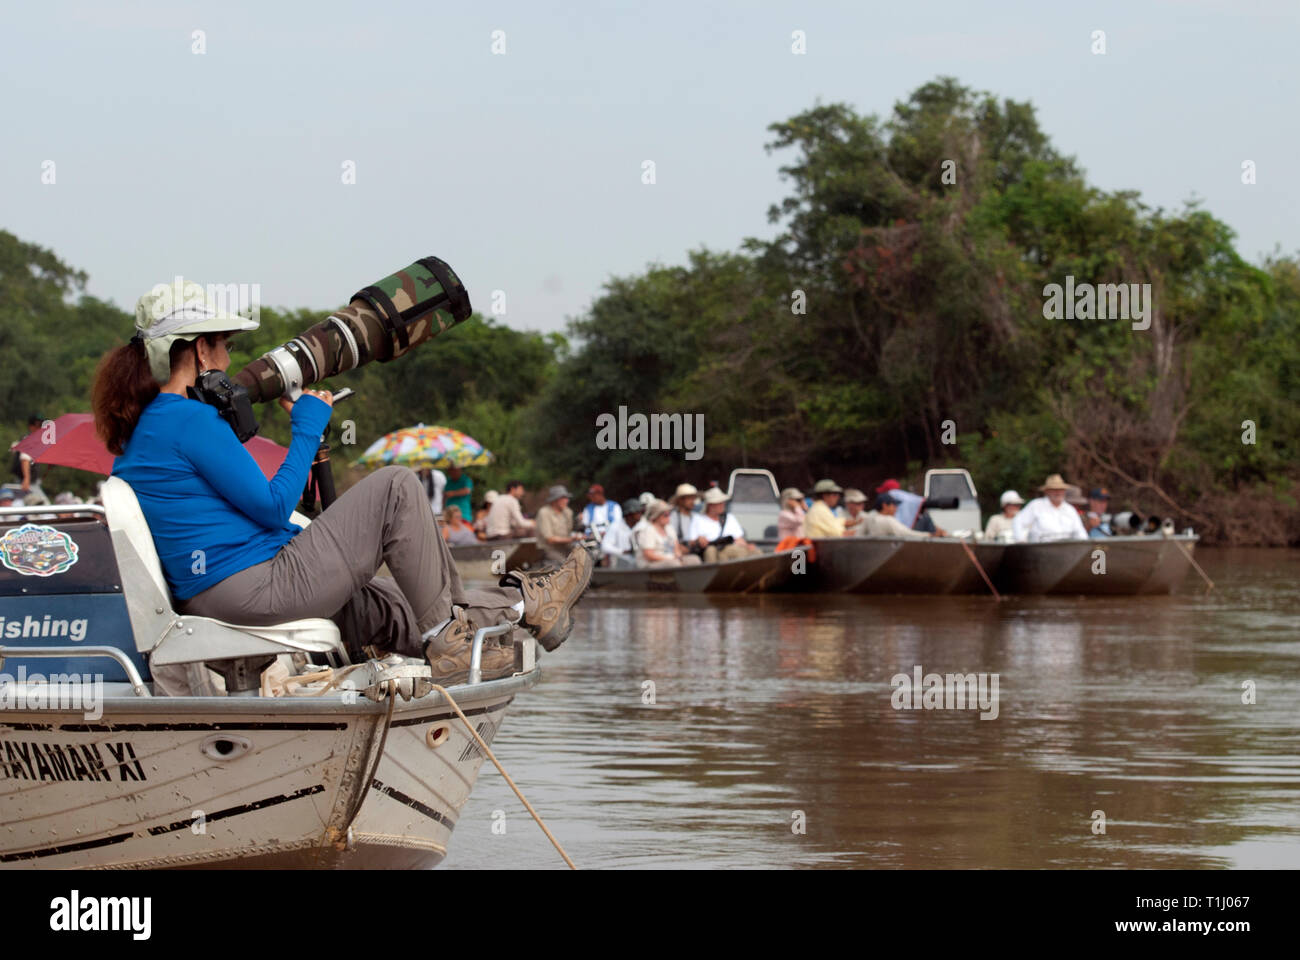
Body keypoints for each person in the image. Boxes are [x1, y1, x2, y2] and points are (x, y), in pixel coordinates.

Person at [94, 280, 592, 693]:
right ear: (201, 349)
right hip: (255, 588)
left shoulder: (155, 426)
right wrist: (308, 428)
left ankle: (526, 605)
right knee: (397, 486)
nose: (229, 357)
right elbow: (271, 507)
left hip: (230, 590)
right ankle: (450, 641)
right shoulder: (188, 420)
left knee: (397, 606)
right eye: (226, 344)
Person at [687, 487, 758, 563]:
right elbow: (691, 542)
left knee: (755, 552)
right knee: (711, 551)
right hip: (711, 550)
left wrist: (747, 546)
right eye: (719, 503)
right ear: (711, 505)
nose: (723, 505)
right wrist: (699, 540)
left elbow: (739, 538)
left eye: (723, 502)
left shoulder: (729, 518)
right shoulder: (698, 519)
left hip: (730, 548)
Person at [1012, 474, 1089, 543]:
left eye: (1060, 489)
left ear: (1064, 491)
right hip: (1040, 549)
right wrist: (1020, 541)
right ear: (1047, 491)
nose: (1058, 492)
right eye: (1054, 489)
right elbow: (1018, 521)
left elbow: (1080, 532)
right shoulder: (1036, 505)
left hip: (1066, 550)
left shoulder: (1070, 509)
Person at [636, 500, 701, 568]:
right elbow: (649, 555)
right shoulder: (648, 530)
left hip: (671, 560)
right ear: (656, 516)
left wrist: (678, 557)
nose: (668, 517)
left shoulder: (669, 528)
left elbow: (676, 548)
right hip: (651, 564)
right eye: (665, 515)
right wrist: (671, 559)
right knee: (674, 564)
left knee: (694, 559)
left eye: (669, 514)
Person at [535, 485, 584, 564]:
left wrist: (579, 521)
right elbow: (550, 539)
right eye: (563, 498)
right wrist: (572, 539)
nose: (566, 501)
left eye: (567, 498)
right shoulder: (544, 513)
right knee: (566, 565)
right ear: (554, 500)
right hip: (549, 549)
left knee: (582, 559)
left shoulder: (568, 512)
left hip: (565, 547)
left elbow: (572, 529)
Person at [9, 416, 50, 506]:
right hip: (28, 483)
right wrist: (27, 478)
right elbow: (25, 459)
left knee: (24, 504)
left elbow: (13, 448)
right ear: (31, 427)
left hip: (24, 481)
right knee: (44, 505)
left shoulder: (26, 438)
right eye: (39, 425)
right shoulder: (30, 440)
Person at [862, 492, 934, 538]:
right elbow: (908, 534)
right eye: (893, 505)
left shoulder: (870, 515)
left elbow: (860, 533)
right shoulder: (888, 520)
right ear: (885, 506)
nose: (896, 508)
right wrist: (929, 535)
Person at [600, 498, 643, 568]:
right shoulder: (616, 526)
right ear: (629, 514)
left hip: (639, 560)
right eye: (637, 512)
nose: (640, 514)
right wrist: (622, 551)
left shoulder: (642, 525)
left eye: (641, 512)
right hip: (620, 561)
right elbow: (605, 546)